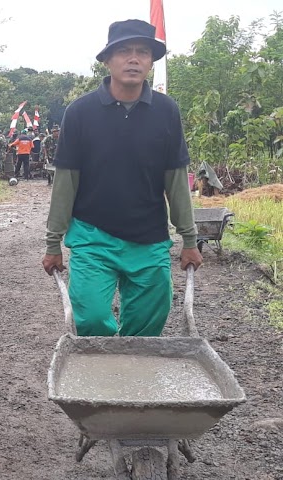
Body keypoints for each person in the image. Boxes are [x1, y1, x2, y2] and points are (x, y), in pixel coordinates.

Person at [42, 19, 203, 337]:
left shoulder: (166, 111)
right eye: (124, 51)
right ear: (106, 60)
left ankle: (131, 381)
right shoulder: (80, 113)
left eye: (142, 52)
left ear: (150, 61)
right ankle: (102, 380)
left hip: (149, 238)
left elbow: (175, 179)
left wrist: (189, 240)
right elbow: (65, 185)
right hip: (92, 236)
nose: (134, 59)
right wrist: (53, 243)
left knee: (147, 327)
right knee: (91, 320)